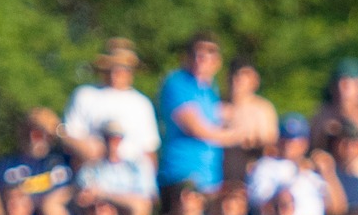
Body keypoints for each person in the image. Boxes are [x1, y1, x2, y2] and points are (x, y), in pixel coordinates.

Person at [63, 39, 162, 177]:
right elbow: (70, 136)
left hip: (130, 176)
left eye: (122, 69)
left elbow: (149, 150)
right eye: (111, 67)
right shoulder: (85, 95)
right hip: (92, 172)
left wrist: (150, 186)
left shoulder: (142, 104)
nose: (116, 73)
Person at [156, 33, 232, 196]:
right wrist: (238, 135)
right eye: (197, 53)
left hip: (210, 178)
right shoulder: (177, 83)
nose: (201, 58)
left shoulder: (211, 90)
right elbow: (197, 129)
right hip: (182, 177)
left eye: (209, 53)